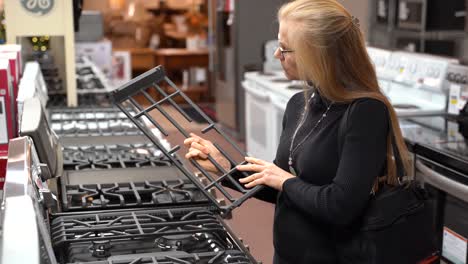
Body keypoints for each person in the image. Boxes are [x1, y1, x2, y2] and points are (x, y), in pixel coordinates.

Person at [184, 0, 412, 263]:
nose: (276, 56)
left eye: (284, 48)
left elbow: (340, 207)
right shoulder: (300, 104)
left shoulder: (365, 112)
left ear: (317, 55)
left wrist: (284, 180)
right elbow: (283, 189)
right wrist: (226, 169)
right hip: (287, 255)